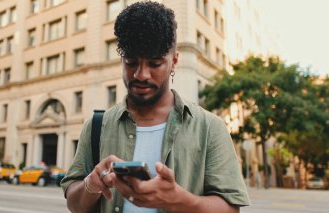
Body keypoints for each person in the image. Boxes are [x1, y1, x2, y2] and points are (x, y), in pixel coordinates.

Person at [61, 1, 250, 212]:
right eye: (131, 62)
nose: (141, 74)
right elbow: (73, 203)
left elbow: (231, 209)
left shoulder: (210, 128)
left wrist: (178, 199)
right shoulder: (97, 125)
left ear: (174, 61)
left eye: (155, 63)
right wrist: (92, 183)